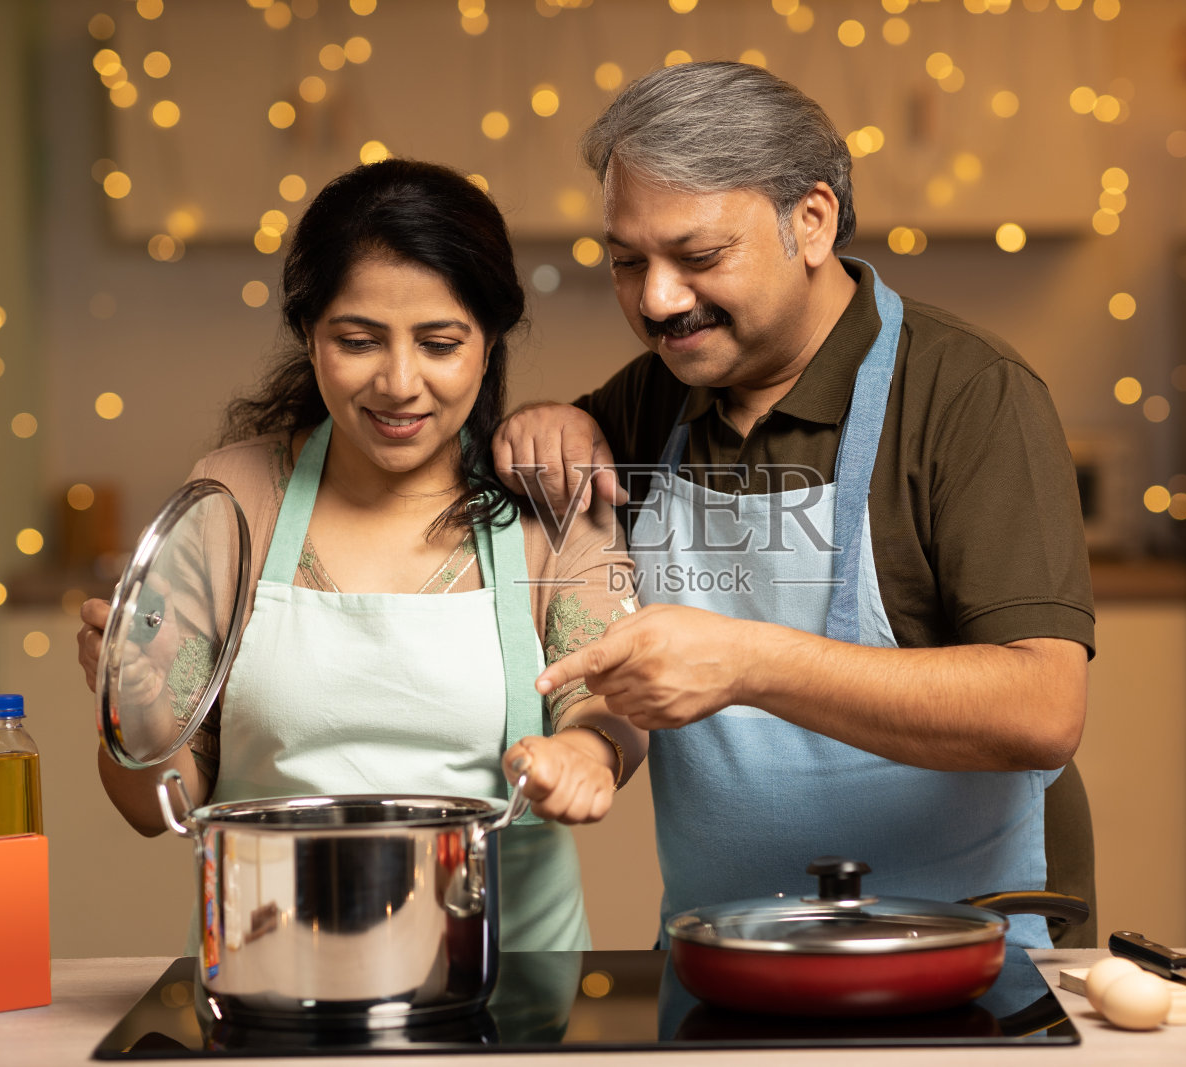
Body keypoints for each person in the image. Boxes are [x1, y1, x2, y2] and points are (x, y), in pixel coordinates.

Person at [493, 62, 1094, 950]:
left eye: (698, 257)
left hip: (972, 952)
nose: (657, 300)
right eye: (628, 263)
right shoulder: (651, 401)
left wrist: (747, 663)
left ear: (811, 221)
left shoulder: (969, 394)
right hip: (723, 952)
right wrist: (546, 426)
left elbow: (1043, 707)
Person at [76, 158, 647, 951]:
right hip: (274, 970)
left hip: (512, 981)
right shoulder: (230, 498)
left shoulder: (546, 501)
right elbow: (160, 803)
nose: (400, 382)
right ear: (310, 336)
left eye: (440, 342)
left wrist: (585, 750)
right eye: (358, 340)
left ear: (488, 343)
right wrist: (131, 712)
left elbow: (606, 693)